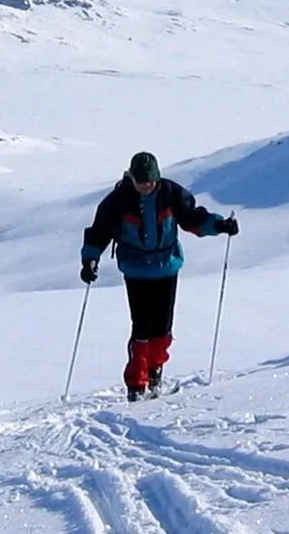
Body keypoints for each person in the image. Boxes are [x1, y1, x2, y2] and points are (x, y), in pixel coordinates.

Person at [80, 151, 238, 401]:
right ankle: (136, 384)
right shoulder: (118, 200)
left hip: (167, 267)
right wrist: (90, 259)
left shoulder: (171, 194)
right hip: (135, 270)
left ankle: (155, 372)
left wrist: (219, 225)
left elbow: (192, 218)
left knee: (163, 327)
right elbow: (99, 232)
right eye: (142, 181)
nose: (147, 185)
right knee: (141, 327)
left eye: (152, 180)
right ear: (132, 177)